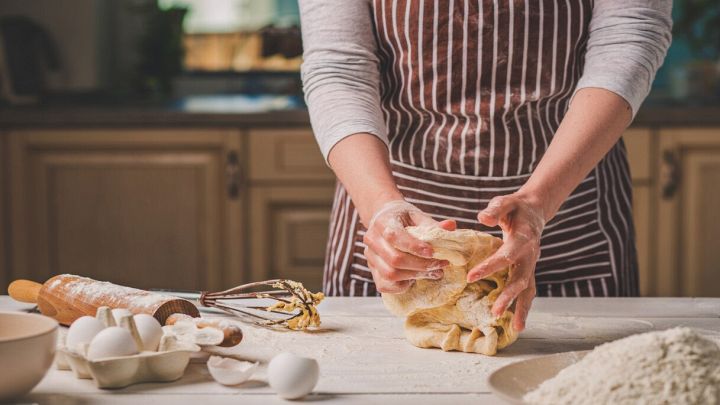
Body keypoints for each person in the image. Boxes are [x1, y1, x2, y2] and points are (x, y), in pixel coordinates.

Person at [299, 0, 672, 331]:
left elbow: (629, 38)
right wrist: (381, 206)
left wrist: (539, 202)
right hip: (391, 229)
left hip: (570, 224)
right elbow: (339, 66)